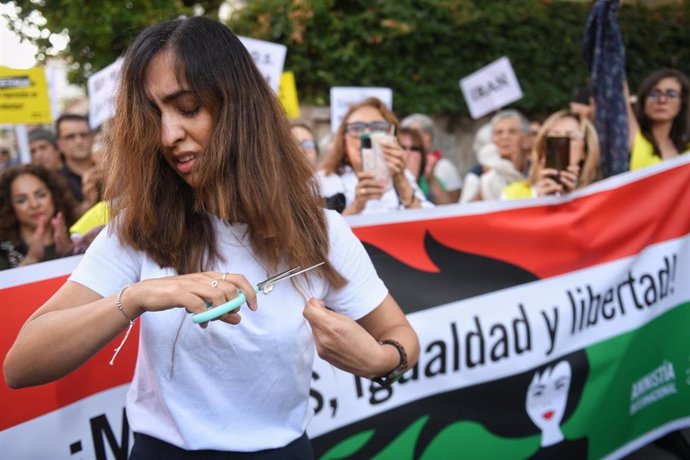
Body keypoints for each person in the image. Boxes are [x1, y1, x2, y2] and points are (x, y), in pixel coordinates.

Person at [3, 17, 419, 459]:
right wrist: (138, 296)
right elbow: (22, 363)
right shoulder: (138, 228)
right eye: (153, 115)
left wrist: (381, 361)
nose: (168, 136)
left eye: (187, 108)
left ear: (239, 106)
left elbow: (400, 335)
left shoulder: (322, 230)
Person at [318, 97, 432, 215]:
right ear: (343, 141)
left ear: (391, 137)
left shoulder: (403, 177)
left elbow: (428, 227)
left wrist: (403, 185)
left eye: (377, 127)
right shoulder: (322, 183)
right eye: (357, 128)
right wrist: (356, 207)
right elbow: (318, 232)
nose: (367, 135)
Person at [501, 110, 601, 199]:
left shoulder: (598, 197)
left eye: (571, 137)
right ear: (543, 147)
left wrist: (572, 200)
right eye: (554, 137)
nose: (562, 144)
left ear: (585, 150)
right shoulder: (512, 197)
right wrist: (540, 201)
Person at [0, 164, 76, 270]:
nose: (34, 204)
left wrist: (71, 253)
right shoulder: (3, 252)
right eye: (21, 200)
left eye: (41, 195)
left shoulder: (78, 237)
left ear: (54, 196)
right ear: (9, 206)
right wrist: (30, 260)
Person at [627, 68, 690, 170]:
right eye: (654, 94)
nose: (662, 100)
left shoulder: (687, 152)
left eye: (671, 94)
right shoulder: (634, 137)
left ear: (682, 103)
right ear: (643, 101)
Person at [400, 113, 462, 204]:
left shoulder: (442, 166)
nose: (408, 153)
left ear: (428, 138)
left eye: (414, 148)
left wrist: (431, 179)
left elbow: (450, 206)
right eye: (403, 147)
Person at [55, 113, 103, 215]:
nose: (79, 141)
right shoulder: (55, 181)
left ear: (92, 138)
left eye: (84, 135)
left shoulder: (110, 172)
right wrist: (88, 203)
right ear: (59, 144)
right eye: (70, 137)